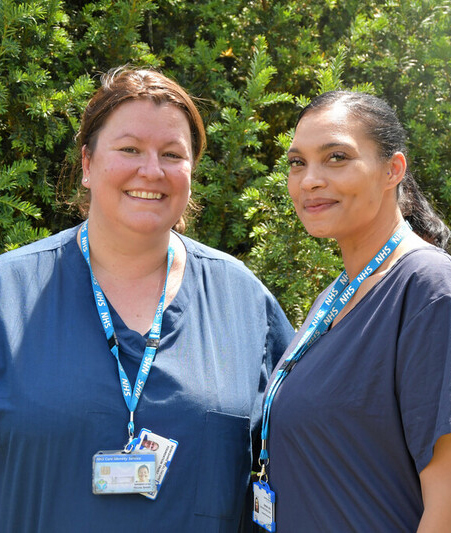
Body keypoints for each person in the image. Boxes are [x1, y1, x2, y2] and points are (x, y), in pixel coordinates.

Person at [0, 67, 294, 533]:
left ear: (191, 174)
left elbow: (302, 456)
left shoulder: (243, 302)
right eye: (130, 149)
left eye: (172, 154)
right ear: (87, 164)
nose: (151, 171)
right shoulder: (9, 294)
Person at [258, 91, 451, 532]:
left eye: (336, 157)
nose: (309, 180)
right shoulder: (333, 299)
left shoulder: (435, 293)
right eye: (297, 163)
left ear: (393, 170)